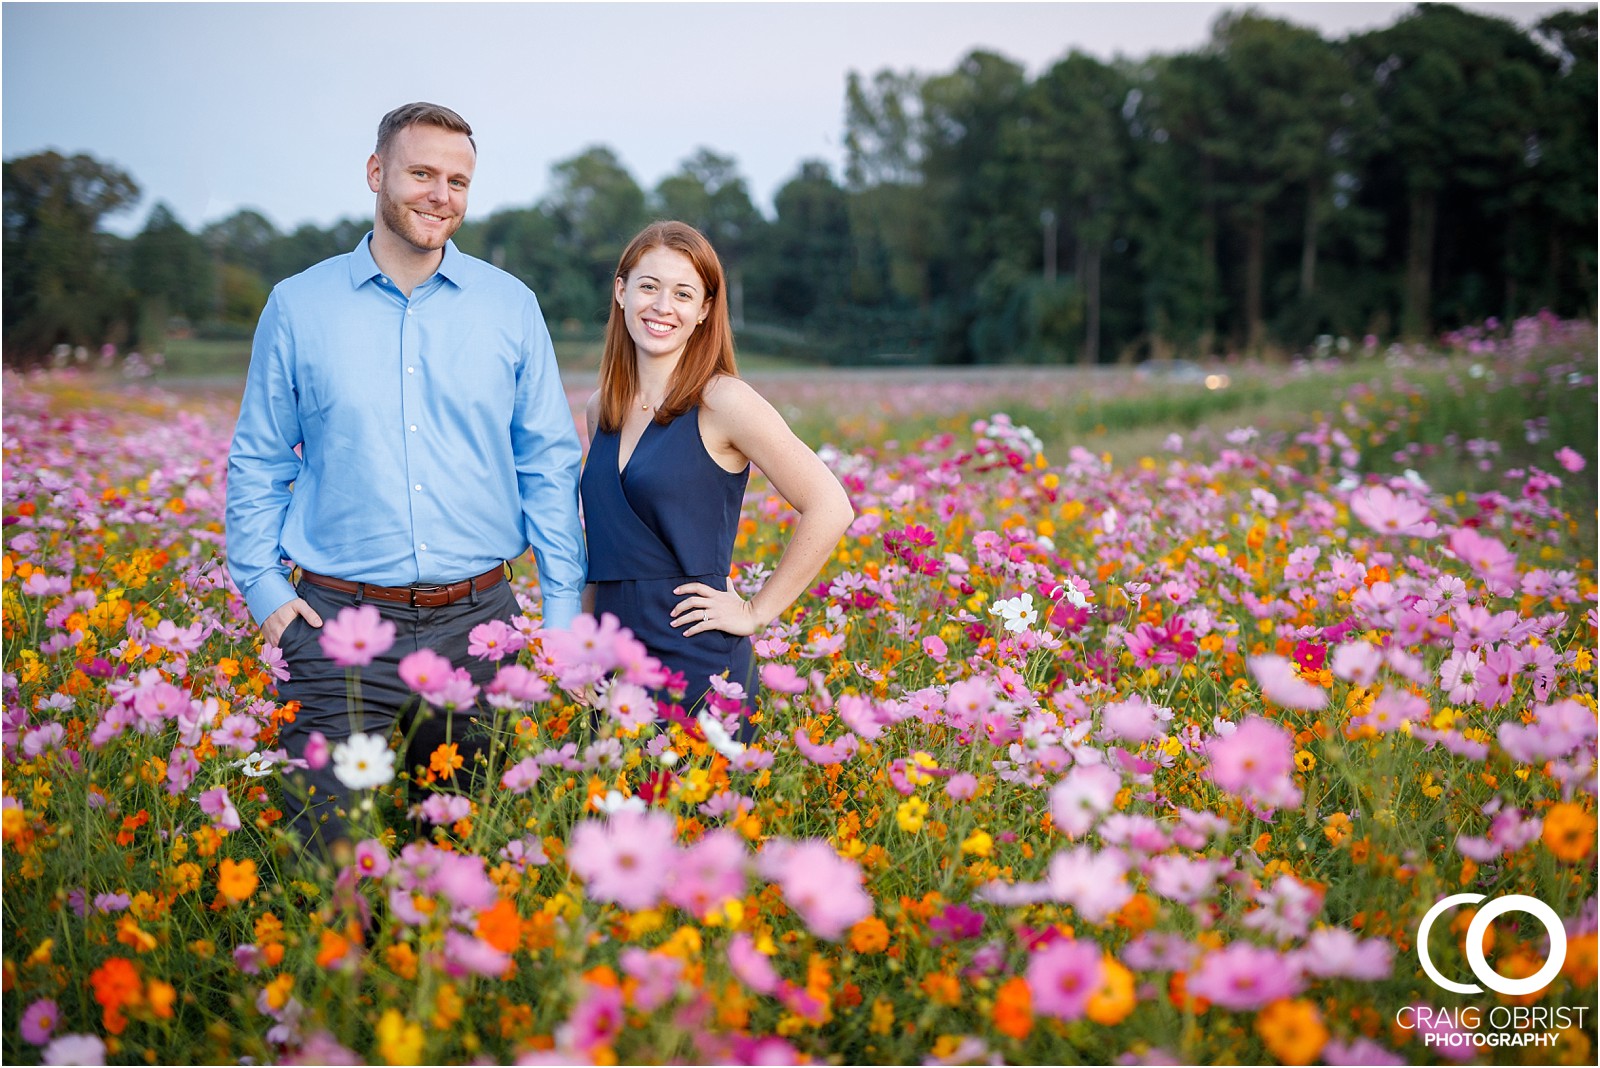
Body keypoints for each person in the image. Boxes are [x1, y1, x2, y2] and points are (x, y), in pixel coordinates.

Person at [226, 102, 586, 850]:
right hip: (334, 627)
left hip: (480, 625)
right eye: (422, 173)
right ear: (376, 173)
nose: (440, 195)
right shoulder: (298, 306)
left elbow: (548, 461)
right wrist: (263, 588)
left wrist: (557, 610)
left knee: (456, 862)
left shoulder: (511, 307)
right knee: (323, 864)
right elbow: (260, 458)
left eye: (458, 180)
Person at [581, 221, 854, 737]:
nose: (663, 306)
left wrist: (755, 610)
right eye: (648, 286)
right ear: (620, 291)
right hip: (614, 665)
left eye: (683, 293)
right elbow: (605, 548)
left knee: (698, 815)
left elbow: (830, 504)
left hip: (698, 658)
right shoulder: (603, 410)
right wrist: (583, 648)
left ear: (704, 310)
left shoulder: (724, 400)